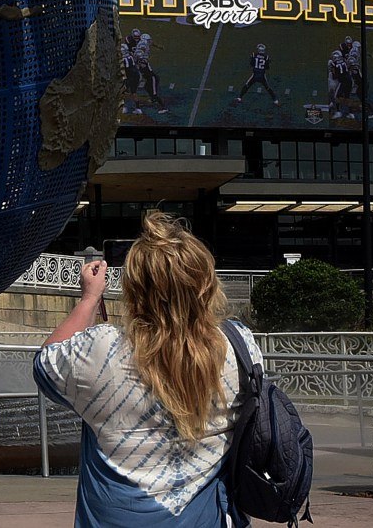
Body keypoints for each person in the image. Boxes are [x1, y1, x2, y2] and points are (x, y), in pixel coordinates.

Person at [34, 212, 263, 526]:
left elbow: (46, 361)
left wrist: (89, 298)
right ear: (207, 284)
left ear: (133, 289)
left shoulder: (102, 350)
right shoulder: (240, 346)